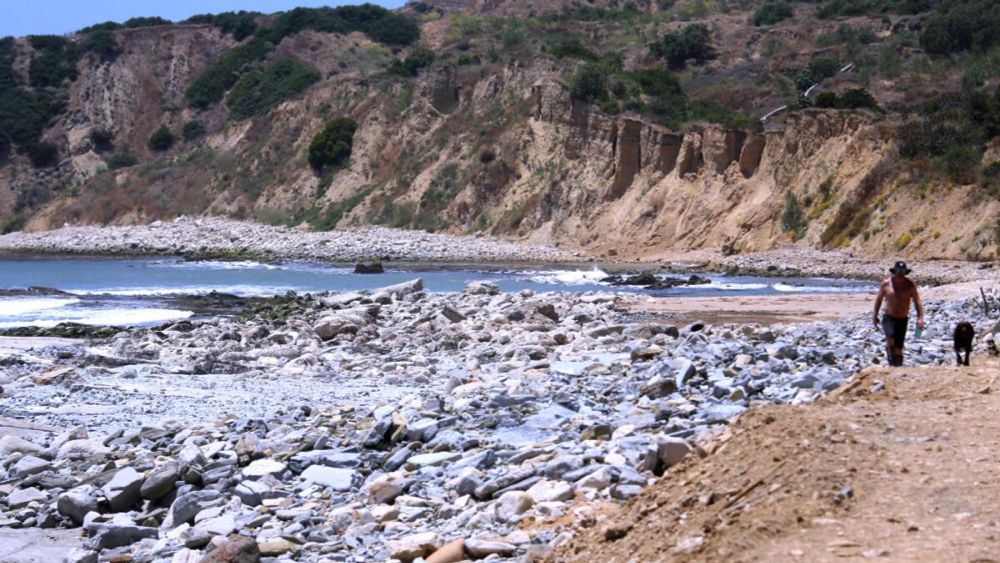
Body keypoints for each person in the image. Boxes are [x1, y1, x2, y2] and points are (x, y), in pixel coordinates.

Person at [872, 261, 925, 366]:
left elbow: (917, 301)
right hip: (889, 317)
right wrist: (875, 315)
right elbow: (878, 300)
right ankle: (890, 358)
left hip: (902, 319)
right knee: (890, 337)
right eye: (898, 271)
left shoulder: (910, 285)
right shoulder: (886, 283)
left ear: (905, 272)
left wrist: (920, 318)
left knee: (898, 348)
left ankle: (897, 365)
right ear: (894, 271)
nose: (900, 273)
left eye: (902, 271)